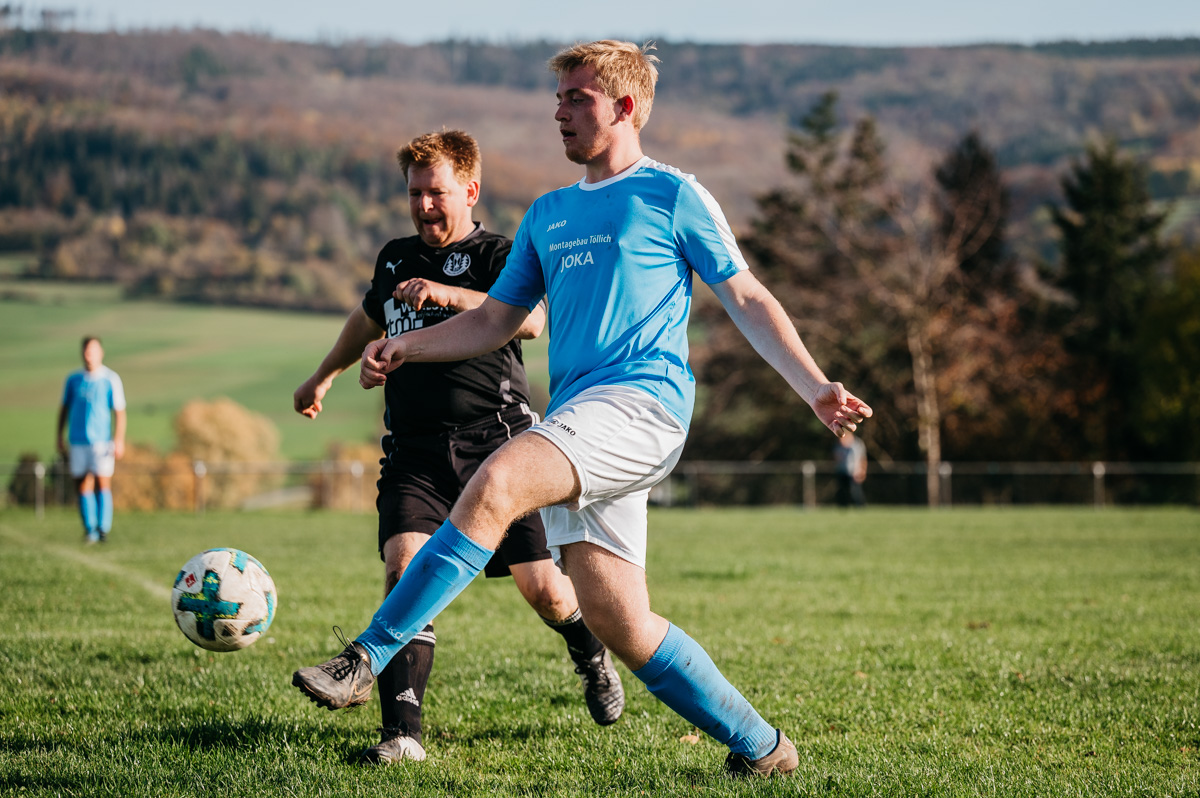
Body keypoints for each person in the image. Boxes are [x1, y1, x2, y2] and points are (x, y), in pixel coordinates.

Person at [292, 41, 872, 778]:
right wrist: (409, 347)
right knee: (620, 622)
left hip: (640, 406)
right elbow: (496, 321)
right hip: (579, 417)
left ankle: (364, 658)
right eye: (558, 97)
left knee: (497, 483)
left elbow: (748, 296)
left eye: (577, 97)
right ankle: (764, 749)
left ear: (624, 107)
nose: (558, 111)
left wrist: (814, 385)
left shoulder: (673, 195)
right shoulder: (549, 214)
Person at [292, 129, 623, 765]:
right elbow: (369, 318)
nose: (423, 206)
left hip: (498, 447)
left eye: (436, 193)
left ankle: (589, 651)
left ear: (470, 190)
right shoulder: (394, 258)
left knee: (546, 592)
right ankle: (402, 737)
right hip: (414, 453)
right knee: (404, 574)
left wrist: (448, 296)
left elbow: (529, 319)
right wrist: (326, 374)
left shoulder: (498, 254)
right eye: (414, 194)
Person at [56, 336, 126, 544]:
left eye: (93, 351)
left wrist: (118, 439)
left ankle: (103, 528)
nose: (89, 355)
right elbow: (64, 409)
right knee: (82, 484)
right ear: (82, 353)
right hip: (77, 440)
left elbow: (119, 412)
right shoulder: (73, 379)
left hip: (102, 441)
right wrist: (59, 436)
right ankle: (90, 529)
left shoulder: (110, 379)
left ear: (101, 353)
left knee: (103, 481)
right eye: (86, 351)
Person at [833, 430, 868, 507]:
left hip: (855, 472)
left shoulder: (857, 444)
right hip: (842, 471)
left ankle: (860, 506)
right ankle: (843, 506)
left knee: (855, 491)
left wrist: (862, 471)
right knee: (842, 491)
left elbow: (863, 459)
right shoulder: (838, 445)